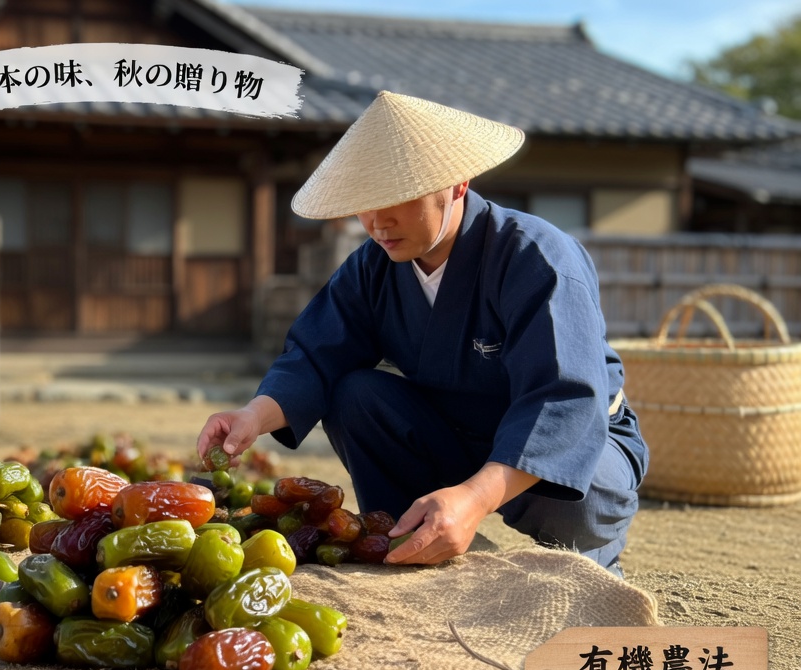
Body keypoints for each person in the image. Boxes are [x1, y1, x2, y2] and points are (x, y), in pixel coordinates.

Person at [197, 92, 648, 576]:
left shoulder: (535, 256)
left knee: (575, 507)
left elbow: (562, 398)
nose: (376, 222)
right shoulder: (372, 267)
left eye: (396, 198)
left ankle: (581, 550)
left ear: (456, 184)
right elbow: (317, 355)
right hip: (454, 433)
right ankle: (409, 534)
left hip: (569, 443)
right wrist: (252, 416)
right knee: (355, 393)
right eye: (364, 205)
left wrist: (476, 497)